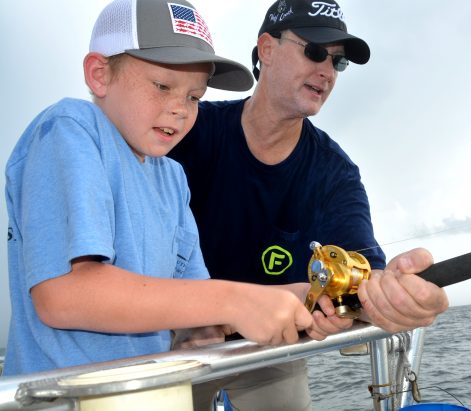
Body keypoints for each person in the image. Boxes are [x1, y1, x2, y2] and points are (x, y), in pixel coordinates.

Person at [3, 0, 316, 376]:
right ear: (99, 74)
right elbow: (63, 296)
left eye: (194, 97)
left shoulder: (172, 178)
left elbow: (195, 309)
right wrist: (235, 300)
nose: (180, 109)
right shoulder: (70, 128)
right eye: (162, 86)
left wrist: (299, 300)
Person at [168, 0, 450, 409]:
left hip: (270, 347)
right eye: (315, 51)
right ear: (266, 49)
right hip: (171, 338)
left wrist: (398, 297)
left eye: (338, 62)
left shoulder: (335, 173)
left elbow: (363, 273)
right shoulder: (186, 133)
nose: (327, 71)